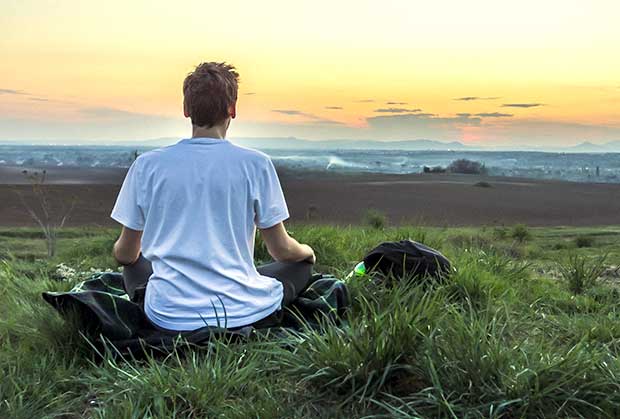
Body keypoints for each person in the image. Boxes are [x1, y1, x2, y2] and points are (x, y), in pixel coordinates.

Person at [110, 62, 316, 332]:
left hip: (168, 315)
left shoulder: (147, 166)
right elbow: (281, 250)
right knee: (299, 267)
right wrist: (307, 253)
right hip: (242, 312)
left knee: (134, 264)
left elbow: (125, 254)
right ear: (232, 109)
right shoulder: (256, 164)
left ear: (186, 110)